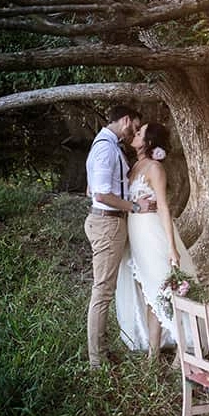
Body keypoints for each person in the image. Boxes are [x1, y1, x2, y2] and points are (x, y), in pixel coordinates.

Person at [115, 121, 196, 358]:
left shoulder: (154, 168)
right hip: (136, 234)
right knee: (150, 294)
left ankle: (183, 349)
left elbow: (163, 207)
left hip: (152, 233)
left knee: (166, 292)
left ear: (148, 142)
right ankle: (153, 353)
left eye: (139, 133)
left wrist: (172, 247)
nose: (134, 133)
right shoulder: (135, 166)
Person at [84, 103, 155, 368]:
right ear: (125, 120)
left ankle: (103, 348)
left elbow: (90, 189)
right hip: (108, 225)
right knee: (102, 291)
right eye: (135, 127)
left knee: (109, 288)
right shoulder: (105, 147)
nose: (134, 133)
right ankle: (96, 360)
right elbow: (100, 194)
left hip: (110, 222)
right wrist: (136, 206)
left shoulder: (106, 145)